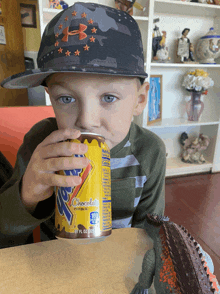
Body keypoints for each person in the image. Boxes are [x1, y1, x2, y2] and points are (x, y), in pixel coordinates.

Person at [0, 2, 166, 247]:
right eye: (66, 98)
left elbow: (151, 238)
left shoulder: (150, 152)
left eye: (109, 98)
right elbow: (6, 238)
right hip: (54, 268)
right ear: (51, 98)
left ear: (139, 100)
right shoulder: (40, 143)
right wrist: (26, 196)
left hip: (120, 269)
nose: (87, 120)